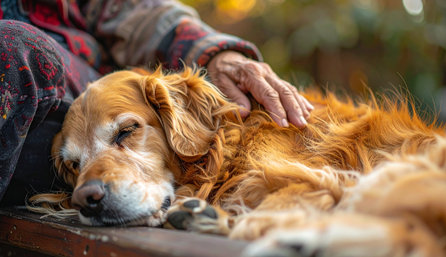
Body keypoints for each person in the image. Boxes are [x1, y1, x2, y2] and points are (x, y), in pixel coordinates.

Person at [0, 0, 313, 206]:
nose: (89, 193)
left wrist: (217, 53)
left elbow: (136, 10)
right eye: (74, 166)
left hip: (58, 90)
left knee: (9, 47)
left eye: (124, 133)